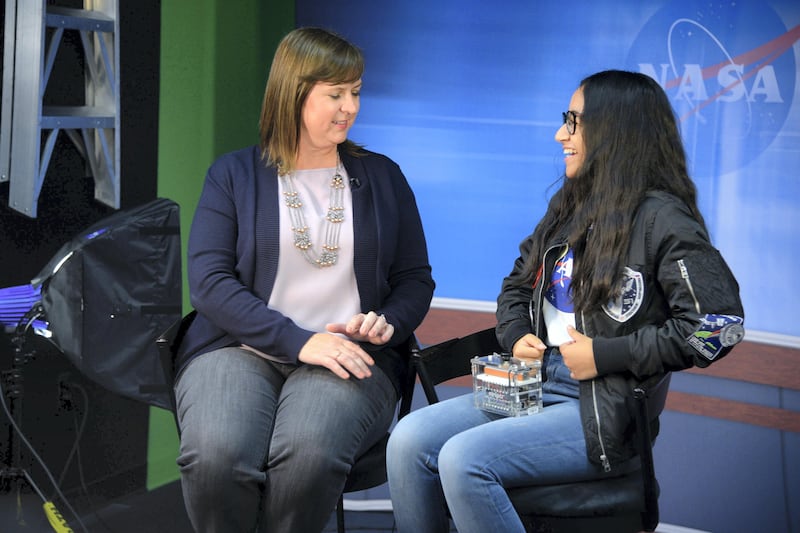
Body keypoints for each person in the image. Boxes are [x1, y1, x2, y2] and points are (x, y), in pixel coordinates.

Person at [386, 69, 744, 533]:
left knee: (463, 461)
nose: (560, 134)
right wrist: (517, 335)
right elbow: (516, 285)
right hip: (533, 383)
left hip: (603, 407)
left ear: (614, 130)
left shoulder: (663, 219)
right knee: (407, 440)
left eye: (573, 121)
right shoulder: (571, 203)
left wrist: (604, 354)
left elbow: (720, 327)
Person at [173, 27, 435, 533]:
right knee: (216, 457)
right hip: (238, 348)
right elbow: (208, 283)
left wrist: (388, 322)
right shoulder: (233, 175)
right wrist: (300, 341)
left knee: (308, 457)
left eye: (355, 92)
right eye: (335, 93)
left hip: (350, 355)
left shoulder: (383, 177)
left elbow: (414, 279)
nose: (350, 107)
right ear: (293, 93)